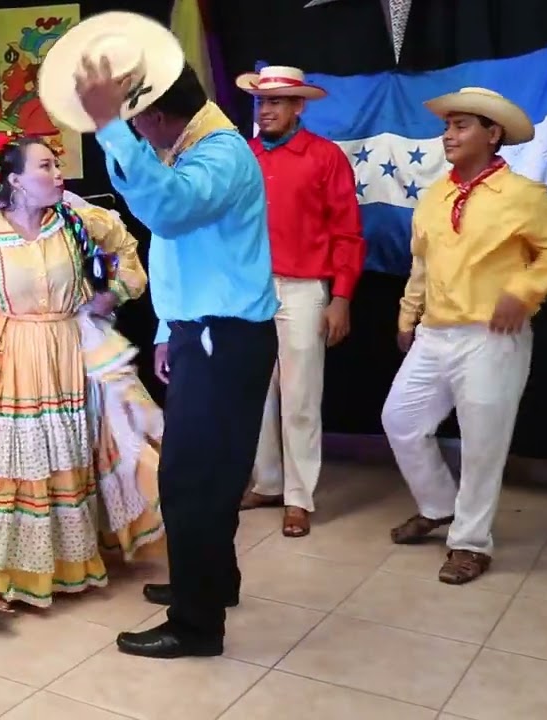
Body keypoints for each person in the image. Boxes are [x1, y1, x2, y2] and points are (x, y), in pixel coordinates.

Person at [42, 10, 278, 658]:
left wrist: (110, 127)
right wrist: (170, 330)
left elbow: (168, 212)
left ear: (160, 116)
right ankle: (212, 583)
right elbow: (183, 250)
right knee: (210, 473)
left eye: (141, 123)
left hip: (224, 338)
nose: (139, 137)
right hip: (207, 333)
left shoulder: (221, 155)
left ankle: (197, 624)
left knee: (191, 479)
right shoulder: (199, 152)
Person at [0, 131, 165, 617]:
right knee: (7, 465)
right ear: (15, 181)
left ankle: (61, 566)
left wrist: (113, 294)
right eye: (44, 166)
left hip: (67, 354)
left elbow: (124, 251)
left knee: (62, 460)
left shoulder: (75, 222)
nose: (57, 174)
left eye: (56, 165)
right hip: (8, 358)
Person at [382, 87, 547, 584]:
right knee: (400, 420)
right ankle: (438, 505)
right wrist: (410, 315)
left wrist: (525, 291)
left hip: (491, 337)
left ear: (493, 135)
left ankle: (471, 543)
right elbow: (422, 263)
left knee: (482, 444)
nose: (448, 136)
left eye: (461, 126)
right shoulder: (435, 195)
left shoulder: (523, 196)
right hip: (436, 333)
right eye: (447, 127)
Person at [235, 66, 366, 538]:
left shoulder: (325, 157)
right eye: (261, 103)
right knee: (254, 392)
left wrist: (341, 297)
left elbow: (347, 232)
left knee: (301, 396)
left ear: (299, 107)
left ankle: (299, 497)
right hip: (249, 291)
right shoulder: (243, 156)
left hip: (303, 287)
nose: (265, 110)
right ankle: (267, 482)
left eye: (277, 102)